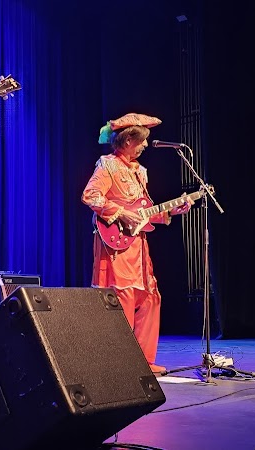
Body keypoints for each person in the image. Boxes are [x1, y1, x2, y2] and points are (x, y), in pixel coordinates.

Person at [81, 113, 193, 375]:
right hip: (116, 245)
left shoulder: (140, 172)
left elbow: (143, 211)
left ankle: (144, 360)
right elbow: (91, 195)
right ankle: (119, 362)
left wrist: (172, 210)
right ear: (128, 139)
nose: (145, 146)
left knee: (151, 298)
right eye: (142, 141)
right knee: (123, 298)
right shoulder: (107, 165)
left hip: (138, 245)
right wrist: (120, 213)